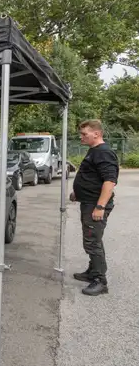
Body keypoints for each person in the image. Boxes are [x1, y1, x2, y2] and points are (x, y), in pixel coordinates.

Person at [69, 119, 118, 296]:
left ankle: (100, 281)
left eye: (84, 134)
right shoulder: (94, 151)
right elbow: (92, 177)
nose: (81, 137)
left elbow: (109, 181)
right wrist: (78, 192)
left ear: (96, 134)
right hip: (88, 202)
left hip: (95, 205)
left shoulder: (104, 152)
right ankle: (92, 271)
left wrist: (100, 206)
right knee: (93, 240)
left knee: (92, 242)